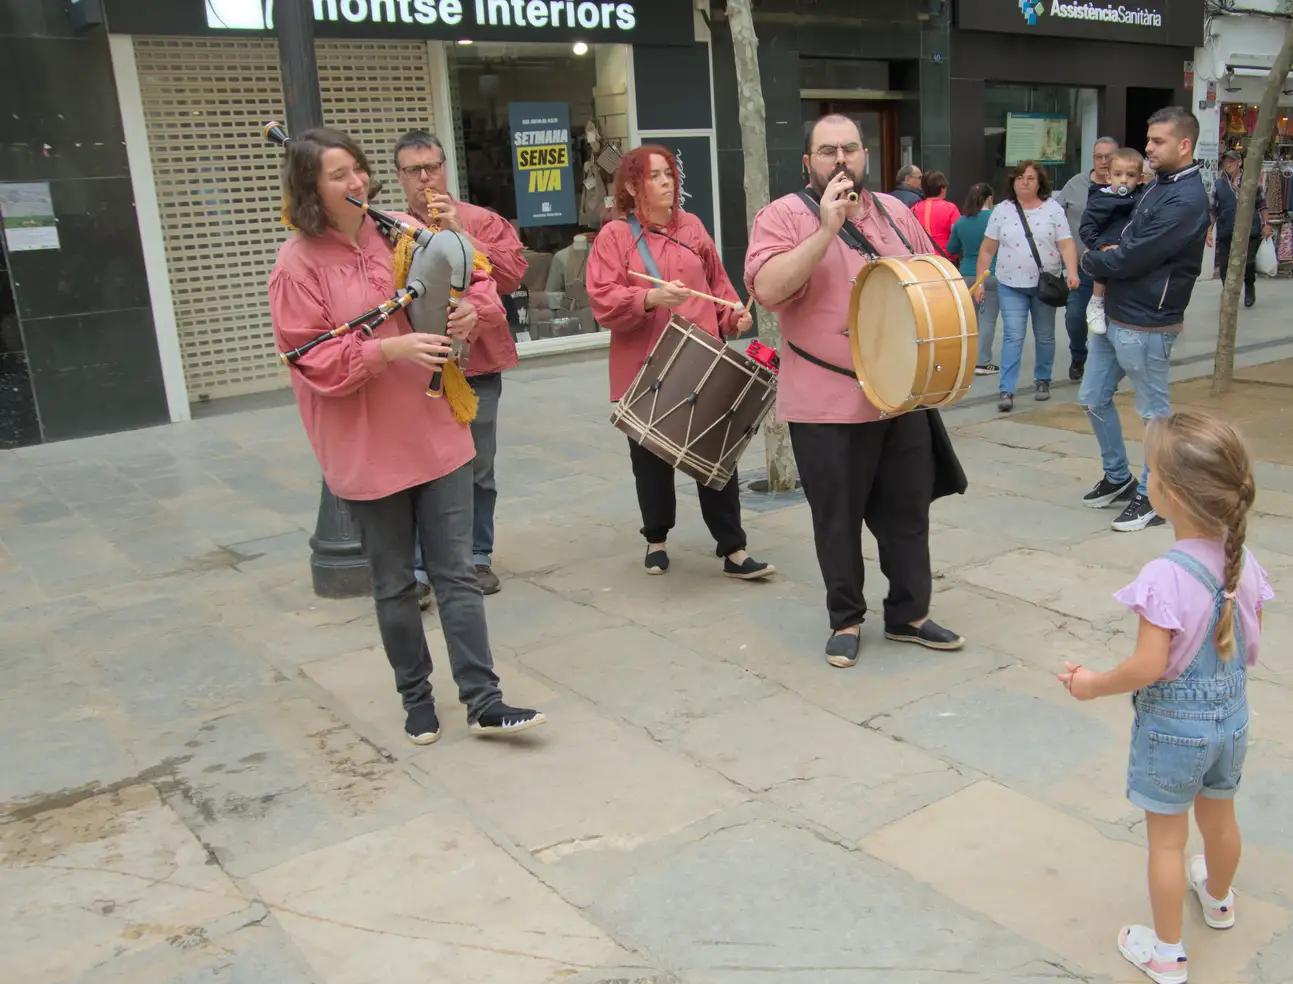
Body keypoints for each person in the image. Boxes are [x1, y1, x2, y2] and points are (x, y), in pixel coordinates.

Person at [268, 127, 546, 744]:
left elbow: (472, 281)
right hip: (366, 447)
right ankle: (415, 697)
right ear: (310, 188)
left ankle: (484, 699)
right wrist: (387, 349)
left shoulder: (400, 230)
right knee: (395, 583)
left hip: (436, 429)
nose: (356, 182)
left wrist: (472, 312)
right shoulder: (297, 266)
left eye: (358, 169)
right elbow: (312, 361)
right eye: (338, 175)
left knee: (456, 574)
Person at [1060, 410, 1270, 984]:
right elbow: (1251, 635)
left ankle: (1167, 953)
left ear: (1167, 494)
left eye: (1149, 470)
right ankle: (1221, 900)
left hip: (1173, 729)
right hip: (1231, 720)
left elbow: (1149, 666)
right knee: (1220, 817)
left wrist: (1093, 683)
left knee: (1168, 841)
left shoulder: (1164, 574)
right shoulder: (1243, 560)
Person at [746, 114, 965, 669]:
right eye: (826, 151)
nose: (839, 160)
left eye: (849, 149)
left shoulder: (895, 212)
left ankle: (909, 615)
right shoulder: (783, 216)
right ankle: (846, 619)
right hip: (825, 400)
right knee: (837, 520)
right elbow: (768, 290)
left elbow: (929, 272)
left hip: (899, 394)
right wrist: (825, 228)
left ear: (866, 155)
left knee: (908, 512)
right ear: (807, 162)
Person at [586, 146, 774, 580]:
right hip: (646, 365)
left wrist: (734, 315)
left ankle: (733, 548)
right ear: (633, 186)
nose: (667, 182)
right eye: (655, 176)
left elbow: (718, 284)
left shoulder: (692, 228)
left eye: (669, 173)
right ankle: (656, 538)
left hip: (701, 359)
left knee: (715, 455)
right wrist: (649, 297)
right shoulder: (616, 236)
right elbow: (602, 298)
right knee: (650, 461)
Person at [392, 129, 526, 601]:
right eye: (414, 170)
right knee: (418, 467)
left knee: (477, 468)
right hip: (415, 370)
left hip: (477, 366)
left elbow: (510, 277)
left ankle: (476, 557)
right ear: (399, 177)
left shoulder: (481, 221)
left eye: (433, 167)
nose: (425, 178)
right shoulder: (387, 229)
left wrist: (462, 234)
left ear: (446, 170)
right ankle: (422, 567)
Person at [1077, 107, 1211, 533]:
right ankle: (1119, 476)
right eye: (1148, 140)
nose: (1147, 148)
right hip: (1116, 312)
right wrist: (1104, 255)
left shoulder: (1186, 199)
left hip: (1148, 321)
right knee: (1093, 397)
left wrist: (1092, 260)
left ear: (1184, 145)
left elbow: (1134, 253)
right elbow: (1121, 238)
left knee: (1155, 414)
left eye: (1157, 142)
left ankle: (1156, 496)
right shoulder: (1157, 187)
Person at [974, 160, 1080, 412]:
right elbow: (987, 249)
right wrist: (979, 282)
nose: (1024, 182)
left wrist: (1072, 272)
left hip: (1045, 284)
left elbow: (1066, 243)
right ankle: (1006, 389)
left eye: (1030, 178)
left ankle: (1042, 380)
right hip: (1010, 284)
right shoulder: (1002, 210)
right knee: (1012, 335)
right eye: (1020, 177)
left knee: (1044, 335)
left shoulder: (1053, 209)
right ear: (1012, 182)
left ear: (1040, 182)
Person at [1057, 136, 1119, 381]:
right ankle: (1079, 356)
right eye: (1098, 157)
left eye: (1108, 157)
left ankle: (1107, 365)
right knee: (1074, 317)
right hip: (1081, 267)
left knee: (1110, 319)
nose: (1103, 162)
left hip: (1114, 267)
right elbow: (1057, 217)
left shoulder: (1125, 184)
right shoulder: (1075, 184)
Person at [1077, 148, 1148, 336]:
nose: (1124, 180)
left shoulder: (1142, 198)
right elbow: (1086, 228)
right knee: (1103, 271)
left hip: (1129, 249)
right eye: (1118, 174)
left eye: (1130, 175)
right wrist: (1101, 245)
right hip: (1107, 246)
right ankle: (1096, 303)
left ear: (1140, 178)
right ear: (1108, 177)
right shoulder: (1099, 200)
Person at [946, 182, 1001, 376]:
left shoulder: (961, 222)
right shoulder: (996, 218)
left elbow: (951, 248)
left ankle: (968, 358)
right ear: (989, 199)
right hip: (991, 273)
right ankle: (983, 361)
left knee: (970, 319)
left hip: (966, 274)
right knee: (988, 318)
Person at [1207, 150, 1271, 309]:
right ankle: (1228, 294)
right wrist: (1209, 229)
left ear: (1240, 163)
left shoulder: (1251, 181)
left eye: (1232, 162)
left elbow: (1262, 205)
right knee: (1224, 266)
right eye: (1226, 162)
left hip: (1250, 230)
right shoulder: (1219, 183)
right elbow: (1213, 209)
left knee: (1248, 263)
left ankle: (1249, 287)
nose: (1228, 165)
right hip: (1226, 229)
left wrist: (1266, 224)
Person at [911, 170, 961, 264]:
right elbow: (958, 234)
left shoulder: (914, 209)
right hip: (945, 260)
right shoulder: (950, 208)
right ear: (942, 189)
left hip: (921, 260)